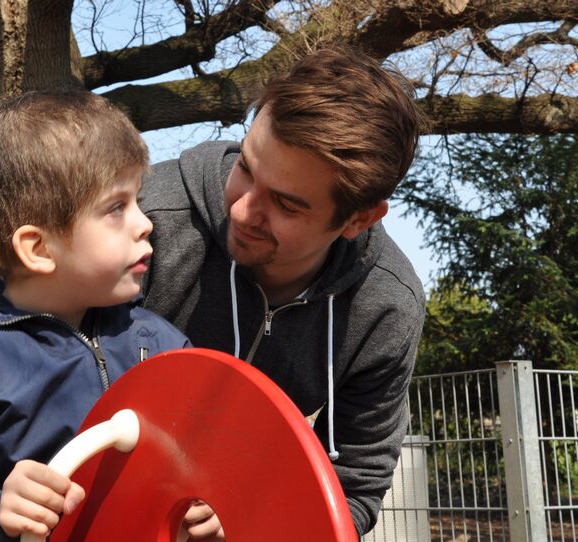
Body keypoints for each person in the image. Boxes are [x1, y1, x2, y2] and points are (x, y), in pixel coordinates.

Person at [140, 44, 425, 536]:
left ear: (359, 219)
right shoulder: (143, 224)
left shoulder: (385, 306)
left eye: (287, 205)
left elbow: (350, 493)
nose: (243, 210)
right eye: (247, 168)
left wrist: (250, 524)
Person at [0, 90, 191, 541]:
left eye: (138, 200)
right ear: (39, 248)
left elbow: (205, 463)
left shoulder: (161, 345)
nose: (146, 223)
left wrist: (208, 512)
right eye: (116, 207)